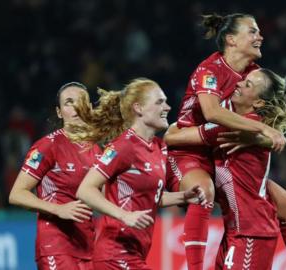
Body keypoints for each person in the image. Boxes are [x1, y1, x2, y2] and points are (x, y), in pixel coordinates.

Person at [167, 69, 286, 269]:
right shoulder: (245, 123)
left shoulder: (233, 127)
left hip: (252, 234)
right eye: (243, 80)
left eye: (248, 85)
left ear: (258, 103)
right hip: (235, 232)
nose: (238, 84)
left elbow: (171, 137)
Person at [171, 13, 286, 269]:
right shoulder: (210, 70)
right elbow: (212, 113)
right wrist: (261, 130)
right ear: (232, 40)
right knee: (204, 192)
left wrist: (264, 136)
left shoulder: (254, 75)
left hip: (221, 148)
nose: (261, 36)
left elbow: (270, 126)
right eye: (253, 31)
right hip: (190, 150)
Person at [69, 78, 207, 269]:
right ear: (139, 108)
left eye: (166, 101)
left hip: (136, 253)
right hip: (115, 254)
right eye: (159, 102)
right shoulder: (124, 145)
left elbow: (148, 197)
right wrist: (124, 215)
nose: (167, 107)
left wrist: (183, 197)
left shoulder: (159, 148)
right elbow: (85, 190)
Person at [9, 82, 100, 270]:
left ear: (90, 108)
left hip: (88, 246)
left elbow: (108, 196)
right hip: (55, 245)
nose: (75, 107)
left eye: (81, 101)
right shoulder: (47, 146)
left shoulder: (98, 150)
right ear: (59, 112)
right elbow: (17, 194)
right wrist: (58, 209)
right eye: (68, 102)